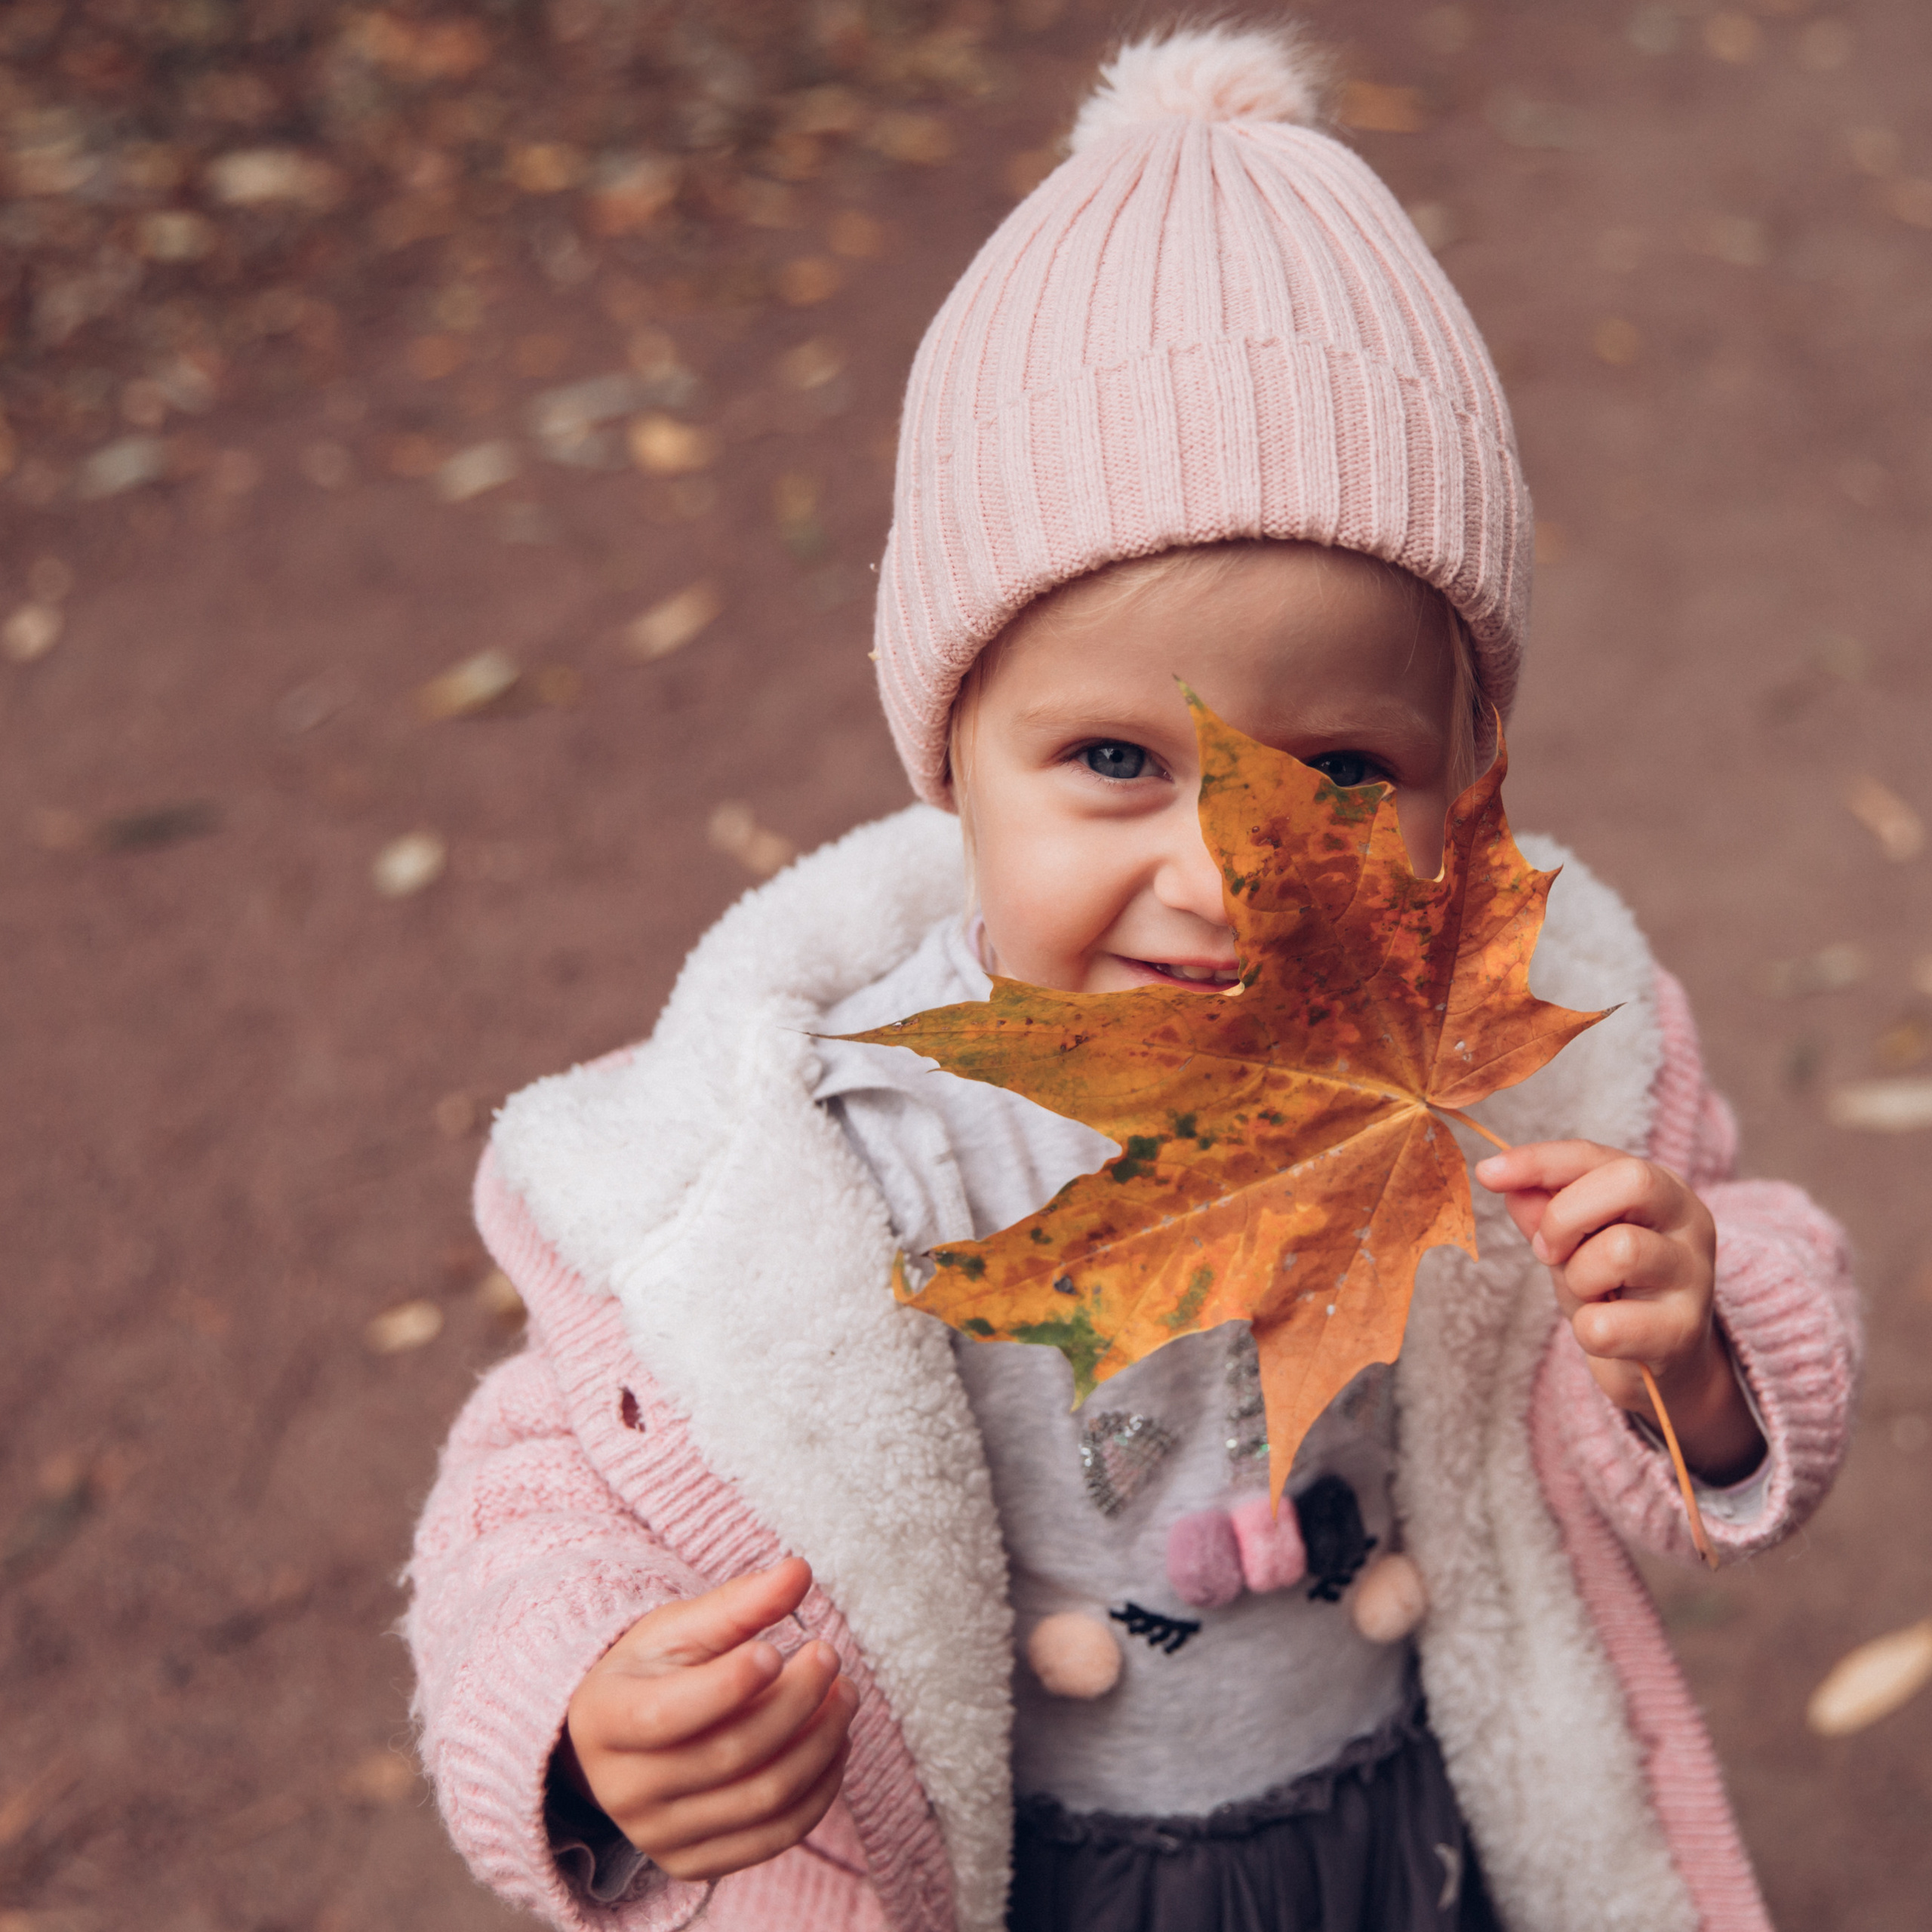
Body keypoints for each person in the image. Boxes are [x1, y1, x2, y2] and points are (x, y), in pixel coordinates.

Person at [405, 25, 1860, 1932]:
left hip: (1408, 1837)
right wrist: (585, 1721)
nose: (1220, 872)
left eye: (1340, 776)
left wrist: (1695, 1349)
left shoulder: (1519, 1070)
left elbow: (1688, 1403)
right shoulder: (827, 1156)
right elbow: (534, 1497)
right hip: (1048, 1878)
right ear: (951, 758)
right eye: (1114, 761)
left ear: (1463, 786)